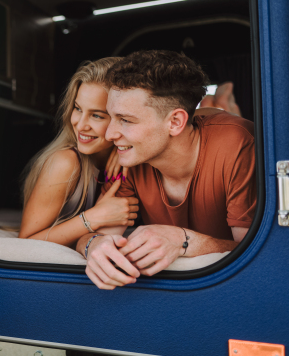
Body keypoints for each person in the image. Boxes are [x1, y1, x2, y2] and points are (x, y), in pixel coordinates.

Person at [77, 50, 256, 290]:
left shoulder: (237, 145)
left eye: (126, 120)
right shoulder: (130, 158)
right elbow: (96, 236)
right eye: (110, 117)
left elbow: (257, 254)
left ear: (175, 122)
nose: (110, 134)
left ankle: (222, 104)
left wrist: (183, 240)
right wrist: (95, 247)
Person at [19, 58, 139, 247]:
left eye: (97, 115)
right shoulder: (65, 162)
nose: (80, 125)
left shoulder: (133, 158)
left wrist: (123, 145)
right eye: (77, 108)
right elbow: (26, 242)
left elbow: (198, 115)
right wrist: (94, 217)